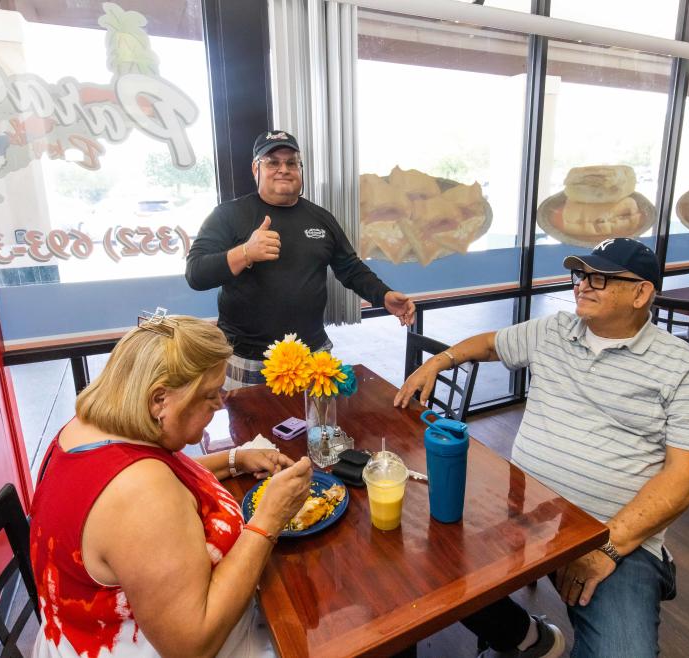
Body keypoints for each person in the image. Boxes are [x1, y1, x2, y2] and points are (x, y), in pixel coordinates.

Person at [395, 238, 689, 657]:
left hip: (614, 532)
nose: (583, 285)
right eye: (581, 275)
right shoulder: (554, 331)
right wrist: (438, 361)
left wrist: (607, 546)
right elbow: (492, 344)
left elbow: (688, 479)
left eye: (600, 278)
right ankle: (526, 637)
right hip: (525, 510)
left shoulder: (684, 367)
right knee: (424, 558)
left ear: (642, 293)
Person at [29, 315, 314, 657]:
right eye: (209, 395)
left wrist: (235, 459)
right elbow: (192, 644)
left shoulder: (86, 430)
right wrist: (269, 519)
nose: (219, 404)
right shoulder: (142, 496)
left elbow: (167, 475)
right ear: (158, 400)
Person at [185, 129, 416, 389]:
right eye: (272, 162)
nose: (283, 169)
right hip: (246, 359)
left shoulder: (320, 218)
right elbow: (196, 274)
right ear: (255, 169)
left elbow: (350, 268)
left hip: (311, 354)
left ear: (300, 169)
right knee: (247, 431)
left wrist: (383, 296)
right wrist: (245, 252)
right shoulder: (227, 215)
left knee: (314, 427)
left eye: (291, 162)